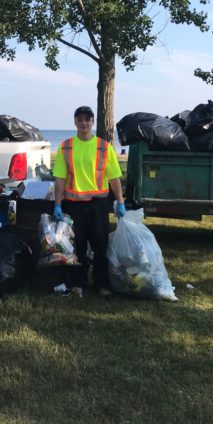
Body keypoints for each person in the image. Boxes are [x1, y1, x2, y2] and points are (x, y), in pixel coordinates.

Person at [53, 106, 125, 297]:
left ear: (93, 122)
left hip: (98, 204)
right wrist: (57, 203)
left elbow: (114, 178)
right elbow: (60, 178)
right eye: (80, 119)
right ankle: (79, 283)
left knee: (100, 244)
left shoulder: (104, 147)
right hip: (73, 204)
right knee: (77, 245)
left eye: (88, 119)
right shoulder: (65, 147)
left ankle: (102, 284)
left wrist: (120, 201)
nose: (84, 123)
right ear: (75, 122)